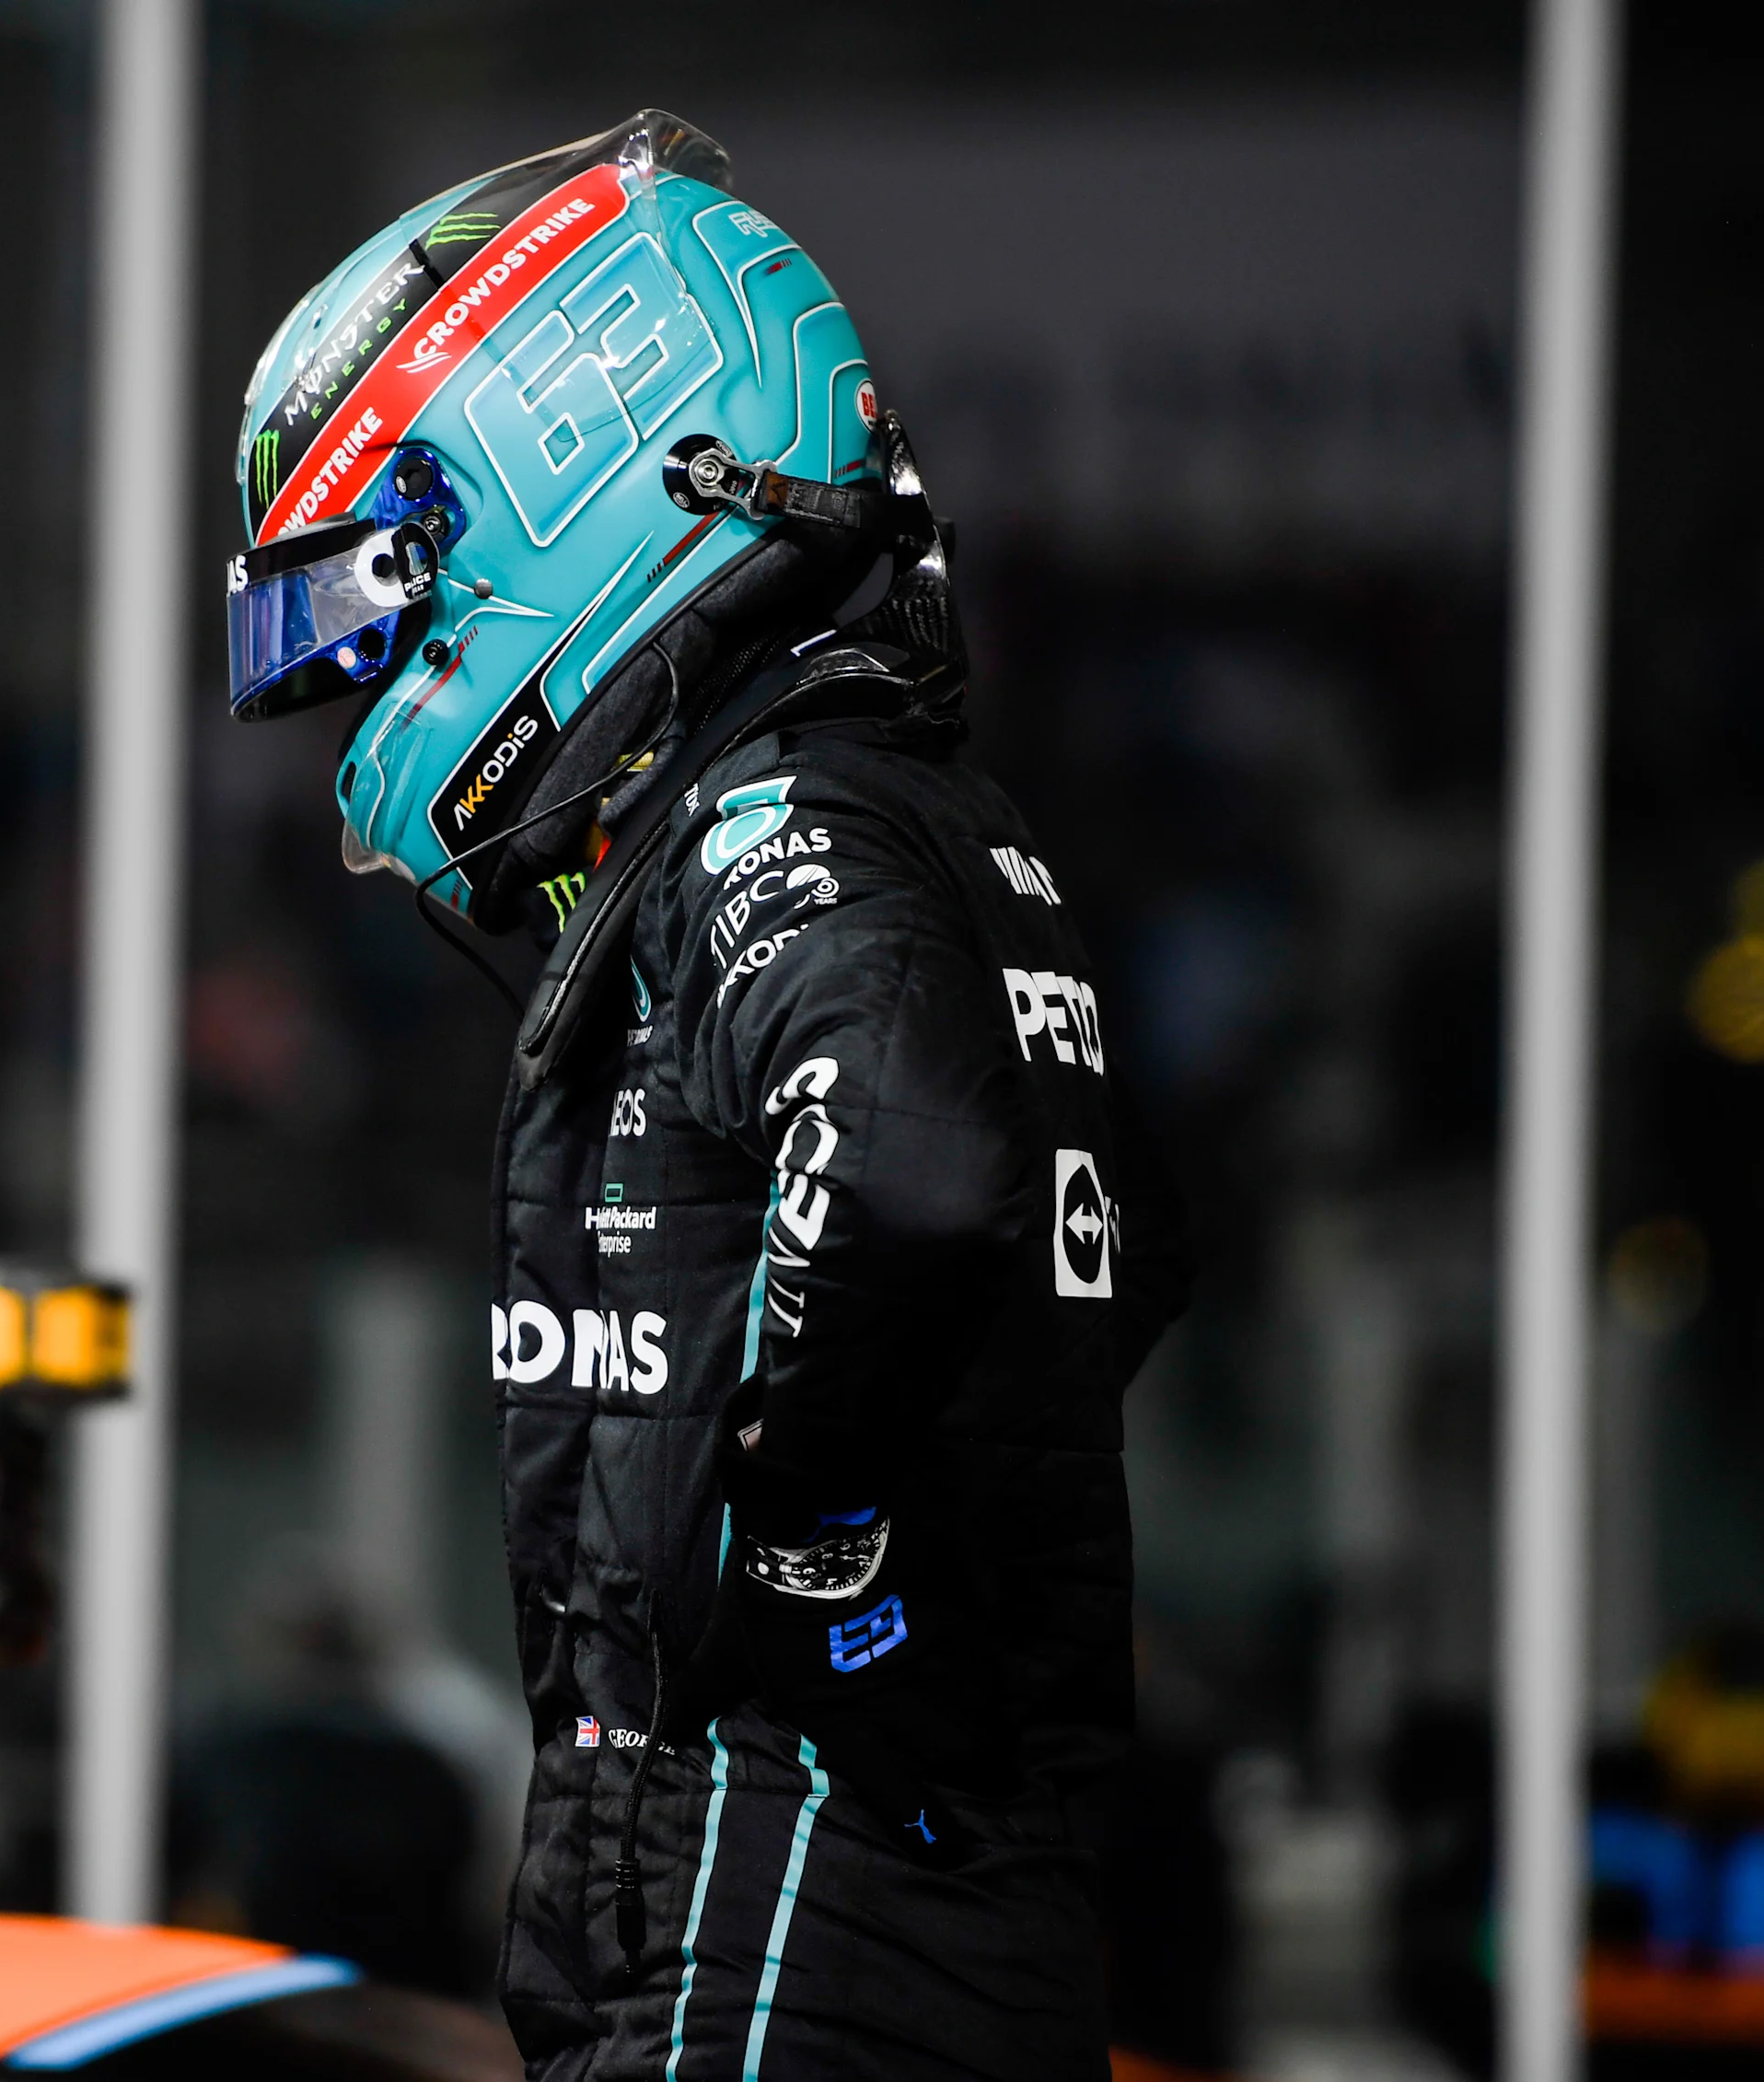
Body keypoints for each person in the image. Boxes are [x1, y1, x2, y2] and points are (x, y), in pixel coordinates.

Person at [224, 112, 1190, 2081]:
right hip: (905, 1896)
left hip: (789, 1890)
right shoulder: (919, 823)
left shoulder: (774, 820)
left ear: (566, 481)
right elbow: (1135, 1247)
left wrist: (804, 1523)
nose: (370, 697)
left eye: (381, 620)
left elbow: (912, 1174)